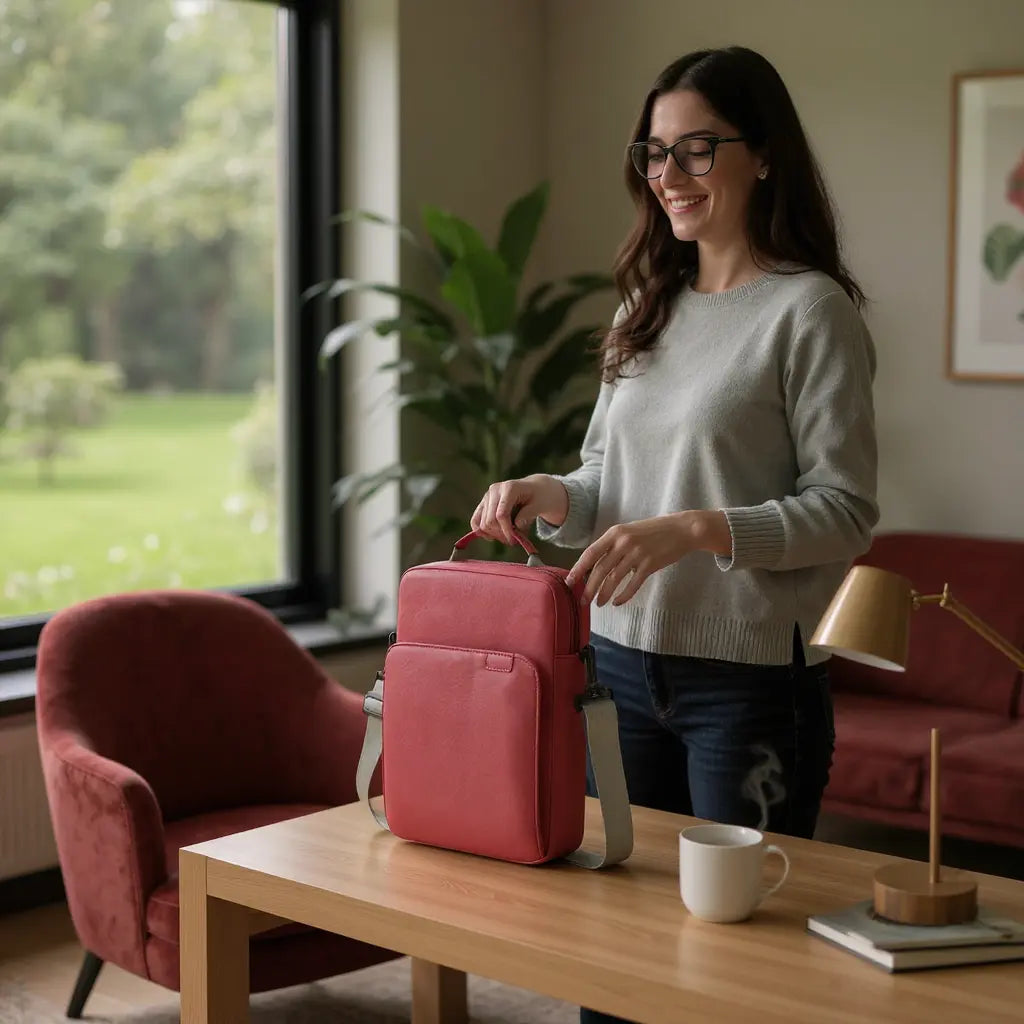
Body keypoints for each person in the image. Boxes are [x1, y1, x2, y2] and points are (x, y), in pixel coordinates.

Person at [471, 45, 878, 1023]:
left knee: (731, 972)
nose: (668, 177)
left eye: (696, 149)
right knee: (614, 946)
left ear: (764, 155)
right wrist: (549, 493)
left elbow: (846, 510)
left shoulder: (809, 312)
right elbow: (613, 482)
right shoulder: (645, 307)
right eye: (654, 154)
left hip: (744, 691)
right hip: (619, 673)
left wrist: (699, 529)